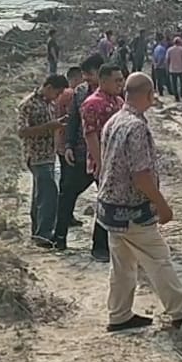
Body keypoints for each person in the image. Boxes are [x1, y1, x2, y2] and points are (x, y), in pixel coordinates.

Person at [98, 72, 182, 331]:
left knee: (122, 264)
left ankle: (119, 315)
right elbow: (140, 175)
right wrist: (162, 205)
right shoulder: (137, 127)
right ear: (148, 94)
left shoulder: (114, 120)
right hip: (131, 209)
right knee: (158, 257)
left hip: (109, 206)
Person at [54, 55, 112, 259]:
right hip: (80, 154)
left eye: (90, 75)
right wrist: (68, 145)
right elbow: (73, 121)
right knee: (67, 195)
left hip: (105, 157)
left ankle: (100, 246)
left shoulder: (113, 95)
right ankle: (59, 238)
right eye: (85, 75)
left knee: (105, 201)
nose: (86, 79)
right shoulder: (79, 93)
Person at [17, 74, 70, 247]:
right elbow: (22, 131)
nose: (58, 96)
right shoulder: (28, 104)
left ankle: (38, 231)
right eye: (57, 92)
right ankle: (44, 234)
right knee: (49, 195)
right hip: (36, 155)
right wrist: (48, 127)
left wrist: (57, 125)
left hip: (48, 154)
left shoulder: (50, 104)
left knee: (40, 195)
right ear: (48, 87)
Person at [54, 65, 86, 228]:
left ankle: (66, 216)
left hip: (61, 141)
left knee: (66, 184)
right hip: (69, 143)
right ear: (75, 78)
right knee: (69, 185)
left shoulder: (63, 95)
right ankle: (64, 217)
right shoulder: (70, 94)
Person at [166, 37, 182, 101]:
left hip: (172, 69)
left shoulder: (169, 50)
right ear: (179, 42)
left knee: (174, 84)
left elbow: (167, 60)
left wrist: (167, 68)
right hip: (181, 69)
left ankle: (176, 97)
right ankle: (181, 94)